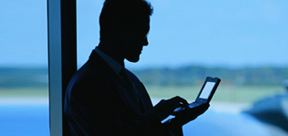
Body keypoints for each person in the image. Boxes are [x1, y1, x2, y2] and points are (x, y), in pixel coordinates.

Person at [63, 0, 209, 135]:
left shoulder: (130, 79)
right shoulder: (86, 85)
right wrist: (156, 114)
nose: (145, 42)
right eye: (141, 33)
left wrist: (175, 123)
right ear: (119, 30)